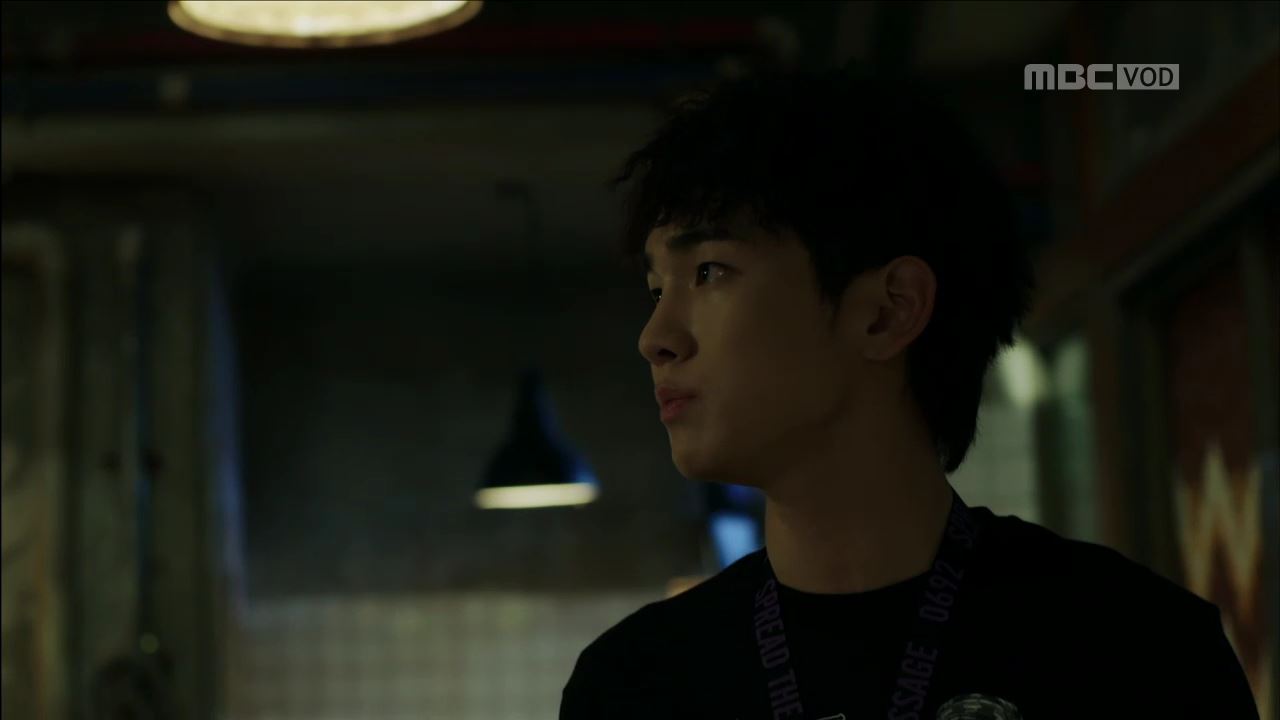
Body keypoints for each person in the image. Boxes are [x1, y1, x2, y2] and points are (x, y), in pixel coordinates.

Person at [559, 67, 1259, 720]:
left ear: (888, 311)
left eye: (709, 272)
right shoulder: (635, 685)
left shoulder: (1135, 652)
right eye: (657, 288)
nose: (656, 337)